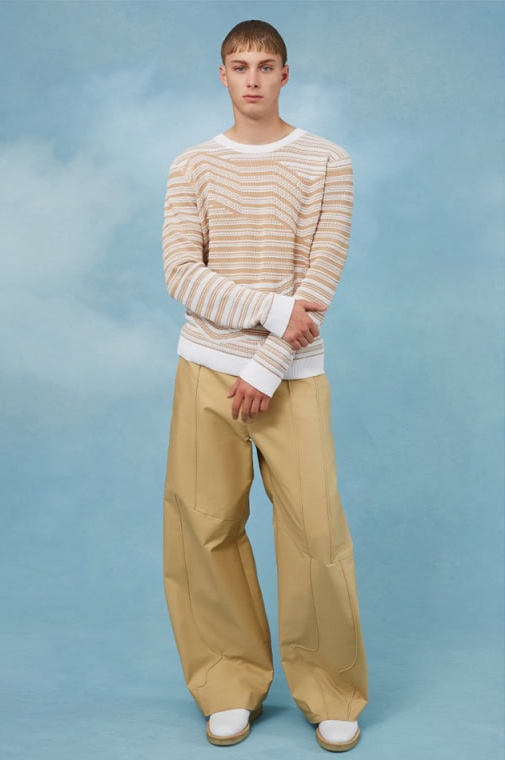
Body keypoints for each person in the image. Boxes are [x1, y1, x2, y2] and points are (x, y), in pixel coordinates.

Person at [161, 19, 369, 753]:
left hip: (291, 375)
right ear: (222, 75)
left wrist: (268, 362)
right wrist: (272, 313)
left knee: (316, 532)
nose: (252, 78)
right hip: (204, 368)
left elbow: (320, 276)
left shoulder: (326, 162)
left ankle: (332, 689)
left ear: (286, 74)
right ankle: (227, 681)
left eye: (265, 65)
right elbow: (182, 274)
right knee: (204, 527)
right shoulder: (192, 165)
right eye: (239, 65)